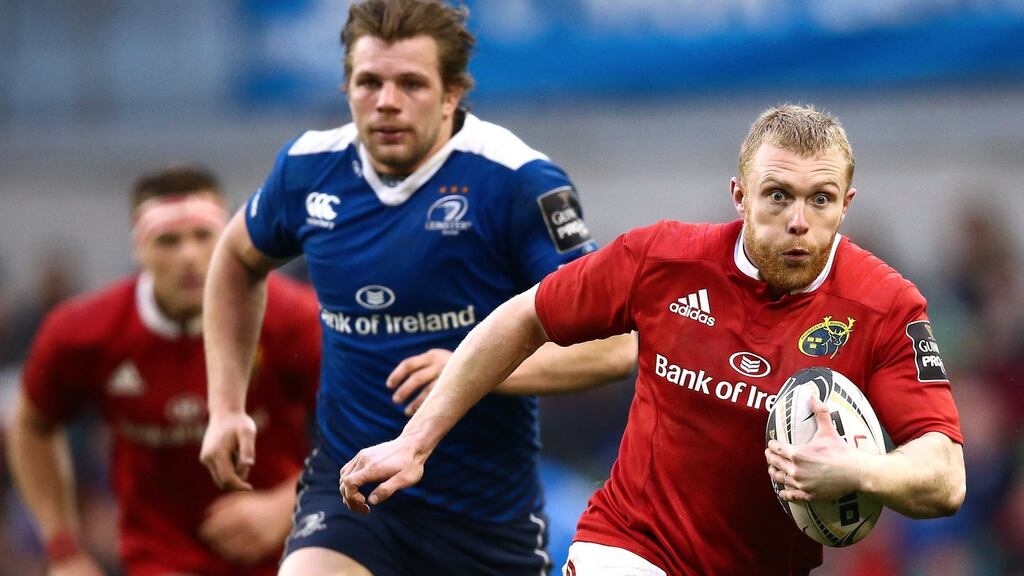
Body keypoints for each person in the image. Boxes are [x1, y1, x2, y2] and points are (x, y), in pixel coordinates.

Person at [338, 104, 968, 575]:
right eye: (778, 196)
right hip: (629, 548)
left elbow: (945, 476)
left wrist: (855, 470)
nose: (798, 222)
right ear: (740, 197)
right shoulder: (662, 258)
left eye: (820, 200)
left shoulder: (886, 307)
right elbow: (524, 315)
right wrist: (415, 444)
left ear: (845, 204)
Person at [198, 1, 636, 575]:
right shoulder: (308, 170)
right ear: (347, 86)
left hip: (484, 515)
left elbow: (615, 346)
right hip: (353, 495)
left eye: (411, 84)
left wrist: (471, 367)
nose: (386, 102)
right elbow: (233, 260)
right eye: (368, 82)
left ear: (452, 92)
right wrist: (227, 406)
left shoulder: (516, 181)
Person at [6, 166, 321, 576]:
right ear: (139, 249)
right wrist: (63, 549)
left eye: (203, 236)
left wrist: (290, 502)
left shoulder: (293, 318)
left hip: (290, 550)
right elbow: (30, 425)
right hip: (157, 559)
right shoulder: (83, 333)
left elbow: (365, 419)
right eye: (168, 240)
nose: (188, 256)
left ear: (228, 241)